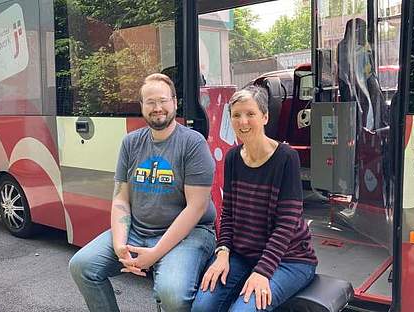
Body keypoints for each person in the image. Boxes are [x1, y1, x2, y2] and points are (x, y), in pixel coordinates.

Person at [69, 73, 216, 312]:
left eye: (163, 100)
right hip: (138, 230)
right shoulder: (130, 143)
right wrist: (119, 246)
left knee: (172, 294)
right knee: (82, 266)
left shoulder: (193, 143)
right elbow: (121, 199)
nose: (157, 108)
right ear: (142, 107)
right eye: (150, 102)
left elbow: (196, 207)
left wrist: (155, 254)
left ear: (175, 102)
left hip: (190, 234)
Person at [192, 85, 318, 312]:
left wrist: (262, 271)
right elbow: (228, 214)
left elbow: (286, 224)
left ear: (265, 117)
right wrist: (222, 253)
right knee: (202, 307)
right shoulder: (232, 158)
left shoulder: (286, 158)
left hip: (289, 260)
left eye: (250, 114)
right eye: (236, 115)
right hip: (243, 254)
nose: (243, 122)